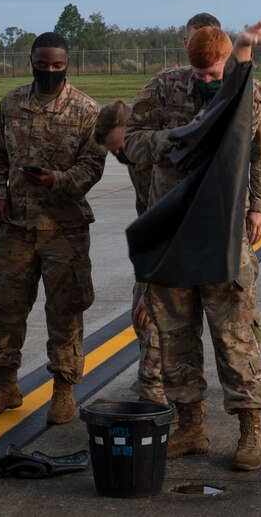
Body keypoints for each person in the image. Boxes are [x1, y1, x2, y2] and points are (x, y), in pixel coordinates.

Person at [124, 23, 261, 471]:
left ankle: (251, 431)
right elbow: (132, 142)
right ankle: (192, 427)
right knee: (173, 335)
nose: (208, 80)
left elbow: (260, 153)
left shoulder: (249, 89)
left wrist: (258, 207)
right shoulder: (163, 87)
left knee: (235, 334)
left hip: (223, 227)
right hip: (172, 227)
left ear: (228, 60)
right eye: (200, 74)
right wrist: (176, 137)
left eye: (215, 73)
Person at [0, 32, 106, 425]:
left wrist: (57, 181)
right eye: (42, 64)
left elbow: (92, 166)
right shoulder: (11, 103)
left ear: (68, 64)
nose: (49, 71)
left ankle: (64, 390)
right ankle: (5, 386)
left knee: (64, 311)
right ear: (30, 60)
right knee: (5, 307)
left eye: (57, 66)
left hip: (63, 228)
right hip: (15, 225)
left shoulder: (85, 110)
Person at [95, 101, 163, 405]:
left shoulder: (159, 155)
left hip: (182, 245)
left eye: (119, 148)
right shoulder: (138, 160)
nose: (119, 156)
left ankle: (153, 397)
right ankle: (159, 387)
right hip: (157, 245)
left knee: (153, 315)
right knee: (141, 311)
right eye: (113, 153)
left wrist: (152, 287)